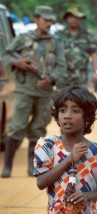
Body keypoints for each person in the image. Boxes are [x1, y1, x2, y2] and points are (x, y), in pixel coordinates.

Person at [1, 5, 66, 178]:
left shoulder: (56, 42)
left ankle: (32, 164)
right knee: (16, 127)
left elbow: (62, 67)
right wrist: (17, 63)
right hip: (24, 90)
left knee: (38, 129)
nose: (48, 23)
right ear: (36, 19)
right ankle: (7, 166)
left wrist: (51, 79)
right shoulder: (23, 38)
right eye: (45, 20)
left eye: (51, 20)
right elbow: (6, 54)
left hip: (44, 92)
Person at [34, 85, 97, 213]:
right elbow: (41, 183)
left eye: (76, 111)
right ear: (57, 115)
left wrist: (87, 196)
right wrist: (69, 159)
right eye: (62, 110)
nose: (67, 116)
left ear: (87, 117)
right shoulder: (47, 145)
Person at [56, 6, 97, 89]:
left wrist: (96, 72)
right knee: (60, 100)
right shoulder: (59, 34)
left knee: (80, 100)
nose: (74, 19)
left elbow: (94, 54)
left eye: (77, 17)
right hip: (62, 76)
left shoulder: (87, 35)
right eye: (71, 17)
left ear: (81, 19)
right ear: (66, 18)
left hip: (81, 77)